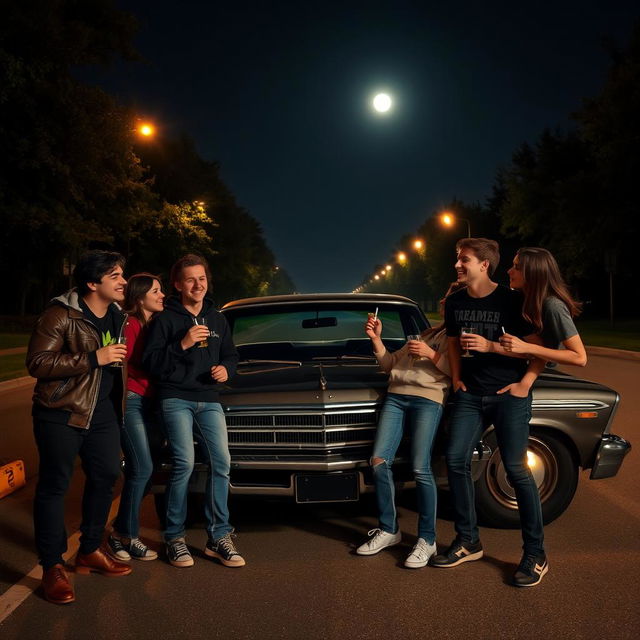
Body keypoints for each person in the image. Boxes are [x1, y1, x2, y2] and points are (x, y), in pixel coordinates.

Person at [431, 237, 549, 588]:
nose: (457, 265)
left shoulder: (513, 300)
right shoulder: (454, 302)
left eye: (464, 260)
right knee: (455, 460)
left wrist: (524, 383)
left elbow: (537, 350)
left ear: (484, 265)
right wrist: (455, 378)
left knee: (516, 470)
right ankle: (468, 540)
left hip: (508, 394)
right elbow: (452, 342)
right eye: (457, 259)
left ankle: (535, 553)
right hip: (470, 394)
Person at [26, 250, 133, 605]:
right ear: (92, 283)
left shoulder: (117, 315)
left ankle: (89, 549)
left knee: (106, 477)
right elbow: (38, 362)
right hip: (61, 411)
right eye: (115, 276)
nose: (123, 281)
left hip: (102, 412)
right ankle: (52, 565)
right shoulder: (61, 315)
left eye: (122, 274)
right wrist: (92, 358)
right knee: (55, 486)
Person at [143, 254, 243, 568]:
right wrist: (182, 344)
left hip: (209, 398)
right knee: (184, 463)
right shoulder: (165, 319)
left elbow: (231, 355)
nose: (197, 285)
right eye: (190, 279)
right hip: (175, 397)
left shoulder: (217, 318)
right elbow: (150, 363)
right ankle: (174, 538)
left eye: (201, 278)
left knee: (221, 462)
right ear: (178, 284)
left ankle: (218, 538)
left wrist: (227, 369)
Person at [356, 284, 462, 568]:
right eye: (444, 296)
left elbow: (458, 375)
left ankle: (427, 540)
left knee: (420, 467)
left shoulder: (458, 336)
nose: (443, 301)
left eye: (448, 298)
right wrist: (376, 339)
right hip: (396, 398)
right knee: (378, 461)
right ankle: (389, 530)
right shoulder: (428, 332)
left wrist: (431, 354)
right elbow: (390, 365)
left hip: (428, 400)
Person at [108, 274, 165, 562]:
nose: (162, 295)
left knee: (147, 470)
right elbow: (124, 363)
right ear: (141, 297)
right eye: (156, 291)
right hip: (131, 400)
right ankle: (127, 536)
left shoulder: (154, 324)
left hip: (152, 403)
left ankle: (119, 532)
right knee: (141, 467)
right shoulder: (130, 324)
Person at [498, 247, 587, 367]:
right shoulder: (521, 299)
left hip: (541, 376)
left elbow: (580, 357)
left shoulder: (553, 306)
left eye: (517, 267)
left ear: (534, 272)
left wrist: (527, 347)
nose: (509, 271)